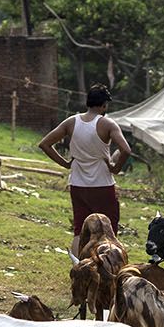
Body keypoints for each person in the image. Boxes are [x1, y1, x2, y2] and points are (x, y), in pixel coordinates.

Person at [38, 85, 131, 234]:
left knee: (80, 231)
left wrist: (66, 164)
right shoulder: (108, 124)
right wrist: (115, 168)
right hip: (102, 185)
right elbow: (126, 150)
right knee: (108, 231)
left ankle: (79, 258)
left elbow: (45, 144)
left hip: (77, 184)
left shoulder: (71, 122)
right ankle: (106, 257)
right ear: (104, 105)